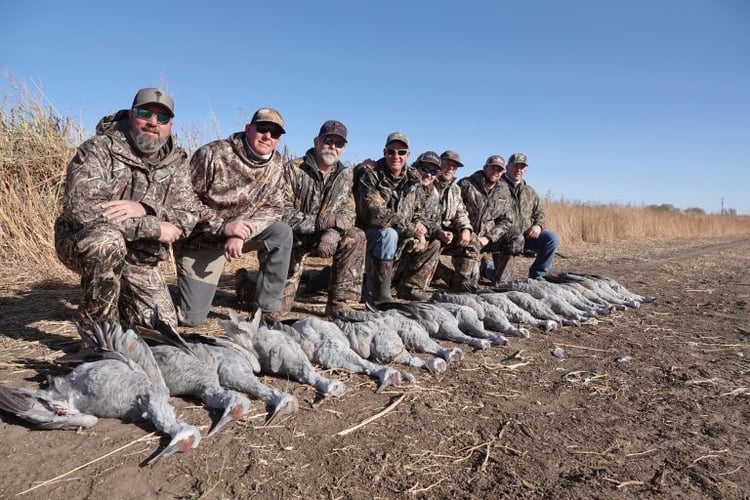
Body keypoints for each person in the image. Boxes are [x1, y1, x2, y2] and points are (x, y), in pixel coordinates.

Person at [55, 88, 203, 329]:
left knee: (162, 329)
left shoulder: (177, 162)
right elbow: (83, 209)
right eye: (146, 113)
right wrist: (154, 228)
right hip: (84, 242)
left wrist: (145, 208)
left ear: (170, 125)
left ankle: (123, 302)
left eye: (162, 118)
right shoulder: (98, 149)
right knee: (106, 241)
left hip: (140, 257)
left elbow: (188, 214)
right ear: (132, 114)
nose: (153, 122)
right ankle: (99, 334)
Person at [174, 108, 293, 326]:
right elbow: (183, 202)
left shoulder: (276, 164)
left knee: (281, 232)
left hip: (238, 238)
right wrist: (224, 227)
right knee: (191, 319)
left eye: (275, 133)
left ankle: (266, 312)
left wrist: (241, 233)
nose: (268, 136)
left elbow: (274, 208)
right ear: (248, 128)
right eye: (263, 128)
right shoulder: (212, 154)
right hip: (202, 240)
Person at [281, 120, 366, 317]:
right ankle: (246, 284)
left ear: (344, 149)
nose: (332, 147)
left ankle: (338, 303)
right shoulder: (293, 169)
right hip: (292, 239)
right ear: (317, 142)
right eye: (328, 141)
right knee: (274, 310)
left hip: (327, 237)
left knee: (356, 236)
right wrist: (319, 223)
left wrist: (333, 231)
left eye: (339, 144)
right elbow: (280, 211)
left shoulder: (344, 174)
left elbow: (349, 211)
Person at [355, 133, 440, 303]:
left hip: (401, 235)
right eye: (391, 151)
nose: (396, 156)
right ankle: (381, 296)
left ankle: (409, 288)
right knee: (388, 234)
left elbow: (420, 209)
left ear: (408, 155)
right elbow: (376, 214)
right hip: (371, 235)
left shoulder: (414, 178)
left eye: (401, 152)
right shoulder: (371, 175)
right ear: (384, 152)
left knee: (434, 242)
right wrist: (411, 229)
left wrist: (420, 224)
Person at [457, 154, 523, 285]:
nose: (495, 172)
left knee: (516, 238)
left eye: (499, 170)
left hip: (489, 238)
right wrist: (466, 231)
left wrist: (488, 237)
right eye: (492, 168)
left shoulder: (503, 189)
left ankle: (500, 279)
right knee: (468, 285)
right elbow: (455, 211)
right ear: (485, 168)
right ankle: (472, 272)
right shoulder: (466, 184)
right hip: (468, 237)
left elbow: (507, 220)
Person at [499, 153, 559, 279]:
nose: (518, 170)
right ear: (507, 166)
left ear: (525, 169)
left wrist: (538, 226)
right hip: (504, 239)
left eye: (522, 167)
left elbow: (540, 214)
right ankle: (487, 269)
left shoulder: (529, 191)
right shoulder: (497, 187)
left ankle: (537, 276)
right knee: (502, 281)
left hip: (526, 237)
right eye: (515, 166)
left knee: (551, 238)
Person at [433, 150, 483, 291]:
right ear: (439, 163)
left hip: (447, 233)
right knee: (433, 244)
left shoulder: (455, 189)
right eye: (447, 164)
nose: (450, 168)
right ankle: (439, 274)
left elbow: (460, 212)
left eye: (454, 167)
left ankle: (461, 281)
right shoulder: (427, 180)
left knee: (472, 239)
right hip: (430, 232)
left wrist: (465, 229)